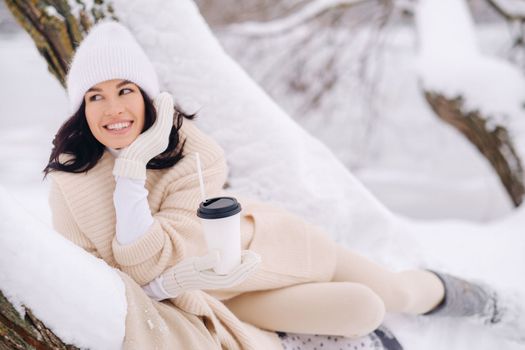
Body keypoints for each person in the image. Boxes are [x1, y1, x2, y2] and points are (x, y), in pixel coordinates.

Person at [44, 21, 522, 349]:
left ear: (148, 96)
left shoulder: (195, 152)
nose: (113, 109)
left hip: (274, 247)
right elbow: (129, 275)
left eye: (125, 90)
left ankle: (472, 295)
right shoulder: (71, 182)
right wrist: (129, 175)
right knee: (365, 308)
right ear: (80, 110)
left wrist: (139, 163)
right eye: (95, 96)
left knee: (397, 293)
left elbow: (160, 251)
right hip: (223, 296)